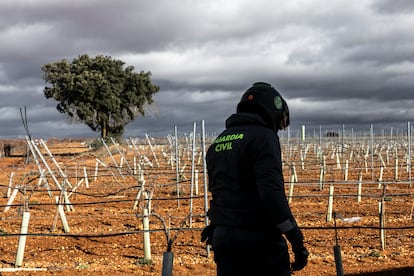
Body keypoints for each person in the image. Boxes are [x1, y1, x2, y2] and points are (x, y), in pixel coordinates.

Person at [201, 82, 309, 275]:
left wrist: (217, 225)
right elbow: (271, 194)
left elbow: (219, 192)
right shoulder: (264, 137)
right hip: (259, 239)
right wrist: (296, 240)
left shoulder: (219, 141)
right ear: (271, 111)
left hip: (223, 237)